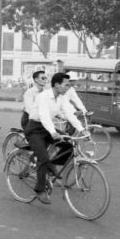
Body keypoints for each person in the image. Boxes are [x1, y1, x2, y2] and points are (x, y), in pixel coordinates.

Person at [24, 72, 85, 204]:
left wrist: (82, 129)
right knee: (43, 158)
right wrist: (53, 132)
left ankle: (50, 168)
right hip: (35, 128)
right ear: (57, 85)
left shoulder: (61, 98)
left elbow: (69, 113)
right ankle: (40, 190)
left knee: (69, 144)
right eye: (66, 85)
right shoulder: (43, 97)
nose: (68, 87)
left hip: (48, 128)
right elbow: (44, 116)